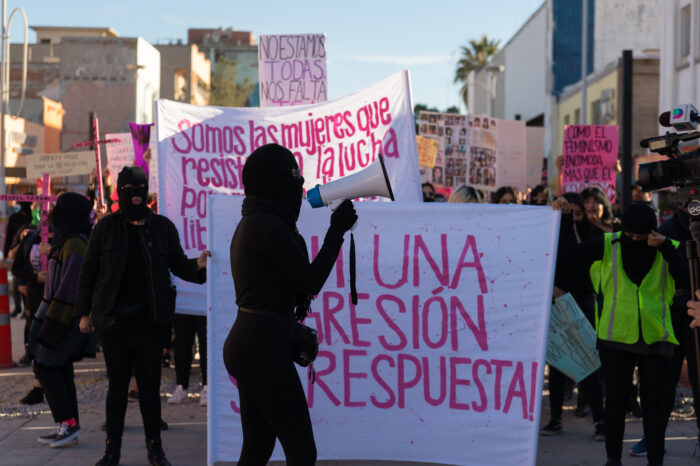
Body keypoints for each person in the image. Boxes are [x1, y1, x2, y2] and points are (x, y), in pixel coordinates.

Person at [223, 144, 357, 464]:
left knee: (257, 447)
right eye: (294, 183)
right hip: (262, 346)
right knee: (301, 452)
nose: (299, 191)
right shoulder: (268, 226)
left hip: (251, 342)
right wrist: (336, 232)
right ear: (277, 187)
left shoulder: (257, 221)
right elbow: (309, 283)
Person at [75, 166, 209, 466]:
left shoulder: (162, 228)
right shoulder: (105, 229)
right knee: (118, 387)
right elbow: (88, 273)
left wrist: (198, 266)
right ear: (120, 192)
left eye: (141, 189)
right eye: (128, 189)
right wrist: (82, 313)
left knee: (149, 388)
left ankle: (155, 449)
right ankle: (112, 450)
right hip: (113, 321)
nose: (135, 195)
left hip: (151, 320)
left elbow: (178, 265)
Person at [556, 201, 687, 466]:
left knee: (654, 407)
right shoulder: (609, 244)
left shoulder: (668, 247)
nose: (634, 240)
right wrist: (567, 220)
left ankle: (655, 460)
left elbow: (687, 278)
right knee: (614, 403)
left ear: (651, 231)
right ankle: (612, 459)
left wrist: (663, 247)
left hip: (656, 338)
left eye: (640, 236)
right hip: (616, 337)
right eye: (630, 235)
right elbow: (572, 255)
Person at [28, 192, 96, 448]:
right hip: (61, 316)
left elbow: (69, 290)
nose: (52, 213)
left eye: (58, 208)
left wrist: (51, 324)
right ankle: (69, 425)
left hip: (65, 319)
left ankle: (68, 423)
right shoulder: (67, 241)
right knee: (61, 368)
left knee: (45, 366)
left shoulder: (75, 245)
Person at [542, 193, 605, 440]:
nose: (573, 218)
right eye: (568, 214)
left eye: (577, 214)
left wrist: (568, 223)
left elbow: (577, 260)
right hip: (557, 303)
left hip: (581, 303)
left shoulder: (591, 237)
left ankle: (600, 419)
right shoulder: (549, 237)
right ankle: (555, 418)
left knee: (588, 361)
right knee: (557, 363)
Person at [167, 313, 208, 406]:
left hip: (205, 301)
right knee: (182, 340)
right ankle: (181, 387)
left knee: (206, 339)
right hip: (184, 301)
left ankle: (207, 387)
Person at [4, 200, 33, 317]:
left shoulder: (35, 216)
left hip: (31, 251)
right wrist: (6, 254)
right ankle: (17, 306)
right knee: (17, 280)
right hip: (17, 251)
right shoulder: (14, 217)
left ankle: (26, 308)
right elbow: (8, 237)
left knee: (27, 281)